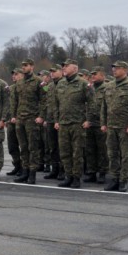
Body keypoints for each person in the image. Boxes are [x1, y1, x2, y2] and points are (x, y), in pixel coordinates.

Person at [53, 59, 90, 188]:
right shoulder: (61, 83)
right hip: (63, 123)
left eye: (67, 66)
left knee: (77, 153)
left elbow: (92, 103)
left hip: (77, 123)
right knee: (65, 152)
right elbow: (56, 104)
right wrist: (56, 120)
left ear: (75, 68)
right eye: (63, 66)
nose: (64, 68)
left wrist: (88, 119)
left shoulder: (83, 83)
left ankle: (76, 177)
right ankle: (68, 176)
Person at [101, 61, 128, 192]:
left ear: (125, 70)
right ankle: (114, 178)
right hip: (111, 126)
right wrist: (103, 123)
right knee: (112, 154)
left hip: (125, 126)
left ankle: (124, 179)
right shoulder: (109, 86)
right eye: (113, 68)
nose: (114, 70)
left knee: (126, 155)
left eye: (118, 68)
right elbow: (104, 106)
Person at [10, 58, 44, 184]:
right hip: (20, 119)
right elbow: (15, 101)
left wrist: (41, 116)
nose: (23, 67)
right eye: (22, 65)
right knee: (23, 147)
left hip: (32, 119)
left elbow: (44, 100)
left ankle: (32, 173)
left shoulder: (38, 82)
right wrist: (14, 115)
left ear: (32, 67)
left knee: (33, 147)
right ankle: (25, 171)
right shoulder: (19, 83)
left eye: (26, 65)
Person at [84, 67, 108, 184]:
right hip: (89, 123)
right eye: (92, 74)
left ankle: (102, 172)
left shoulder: (106, 88)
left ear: (102, 76)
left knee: (102, 150)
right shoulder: (89, 88)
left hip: (100, 124)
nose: (93, 76)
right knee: (90, 150)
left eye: (95, 74)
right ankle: (91, 172)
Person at [43, 64, 63, 180]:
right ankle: (54, 169)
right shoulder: (50, 86)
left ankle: (62, 170)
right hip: (50, 119)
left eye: (54, 71)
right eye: (51, 72)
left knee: (62, 147)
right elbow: (47, 102)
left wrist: (58, 119)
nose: (52, 73)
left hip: (61, 119)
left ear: (61, 71)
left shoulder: (64, 84)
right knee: (52, 146)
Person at [5, 69, 23, 176]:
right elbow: (8, 105)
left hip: (22, 120)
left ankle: (25, 167)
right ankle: (17, 165)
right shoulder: (10, 88)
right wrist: (6, 118)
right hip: (11, 121)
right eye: (13, 74)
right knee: (12, 145)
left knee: (24, 146)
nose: (14, 76)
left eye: (16, 74)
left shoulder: (25, 87)